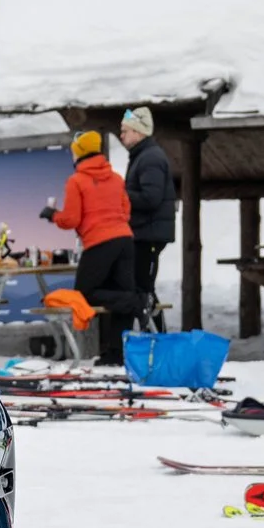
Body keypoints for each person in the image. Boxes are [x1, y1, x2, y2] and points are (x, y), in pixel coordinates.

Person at [41, 129, 137, 367]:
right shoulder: (116, 178)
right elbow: (126, 211)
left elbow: (71, 219)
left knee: (84, 294)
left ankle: (133, 301)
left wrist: (53, 215)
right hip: (125, 241)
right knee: (122, 295)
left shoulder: (77, 181)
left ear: (80, 153)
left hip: (98, 243)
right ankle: (117, 353)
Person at [120, 107, 175, 332]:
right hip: (145, 232)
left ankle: (157, 336)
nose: (121, 135)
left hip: (149, 234)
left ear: (139, 132)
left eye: (125, 130)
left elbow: (151, 198)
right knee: (142, 287)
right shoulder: (142, 156)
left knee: (144, 288)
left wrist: (121, 195)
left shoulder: (150, 158)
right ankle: (154, 334)